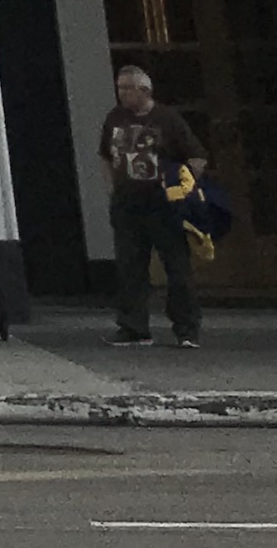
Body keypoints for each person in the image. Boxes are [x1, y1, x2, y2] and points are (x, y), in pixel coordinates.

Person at [98, 63, 210, 348]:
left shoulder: (167, 119)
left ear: (144, 90)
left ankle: (186, 329)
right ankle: (134, 327)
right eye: (119, 88)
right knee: (130, 266)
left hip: (163, 205)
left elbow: (197, 157)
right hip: (127, 204)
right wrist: (112, 189)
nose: (121, 93)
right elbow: (105, 156)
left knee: (177, 266)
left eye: (127, 88)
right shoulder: (114, 118)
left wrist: (182, 189)